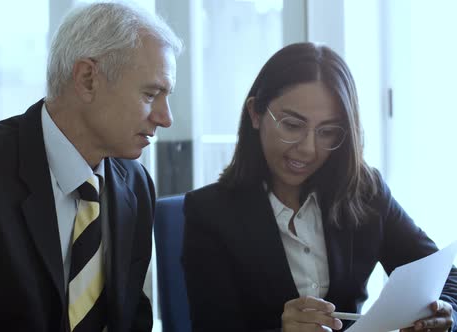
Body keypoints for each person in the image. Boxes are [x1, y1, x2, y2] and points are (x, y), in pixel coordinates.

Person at [0, 2, 182, 332]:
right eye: (151, 94)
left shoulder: (135, 185)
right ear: (87, 79)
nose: (166, 118)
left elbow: (130, 316)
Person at [181, 42, 457, 332]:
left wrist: (444, 314)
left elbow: (446, 280)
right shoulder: (209, 213)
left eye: (327, 131)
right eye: (291, 125)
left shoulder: (365, 191)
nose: (308, 150)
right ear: (255, 114)